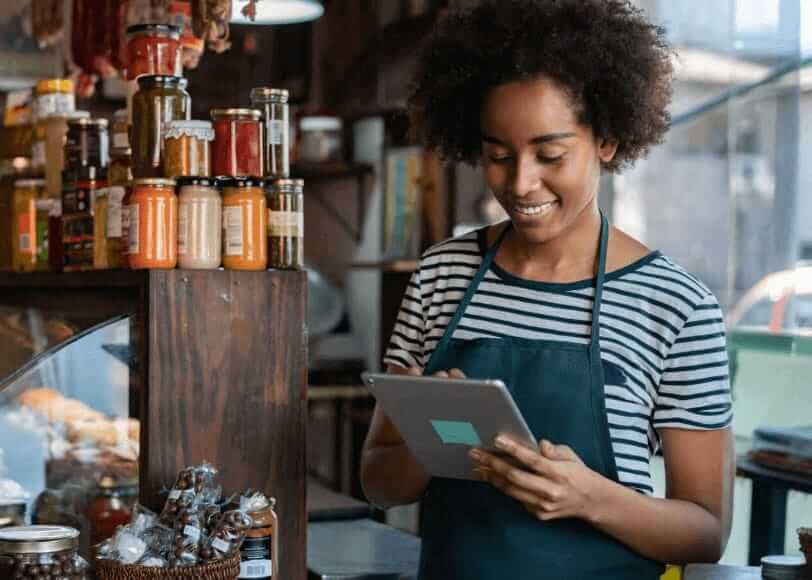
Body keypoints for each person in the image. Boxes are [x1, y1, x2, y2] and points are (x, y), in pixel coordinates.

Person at [360, 0, 735, 578]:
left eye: (550, 154)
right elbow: (380, 483)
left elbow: (706, 531)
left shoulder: (676, 306)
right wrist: (429, 432)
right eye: (498, 155)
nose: (521, 182)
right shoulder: (442, 275)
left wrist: (590, 498)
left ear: (606, 140)